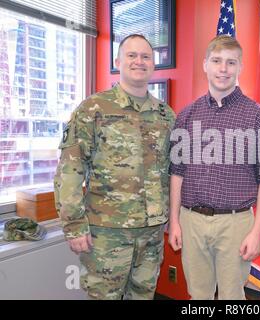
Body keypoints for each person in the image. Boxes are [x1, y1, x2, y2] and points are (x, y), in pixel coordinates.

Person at [54, 34, 175, 300]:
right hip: (106, 233)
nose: (139, 61)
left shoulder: (166, 115)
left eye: (145, 57)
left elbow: (173, 171)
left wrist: (172, 220)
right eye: (132, 55)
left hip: (151, 233)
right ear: (118, 61)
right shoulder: (93, 109)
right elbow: (70, 169)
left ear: (153, 65)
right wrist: (74, 224)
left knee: (143, 295)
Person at [168, 35, 260, 300]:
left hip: (236, 223)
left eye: (231, 62)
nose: (223, 69)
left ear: (240, 67)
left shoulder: (259, 117)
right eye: (216, 61)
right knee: (198, 294)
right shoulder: (185, 115)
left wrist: (258, 231)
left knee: (232, 296)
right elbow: (176, 173)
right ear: (205, 64)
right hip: (191, 220)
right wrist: (174, 221)